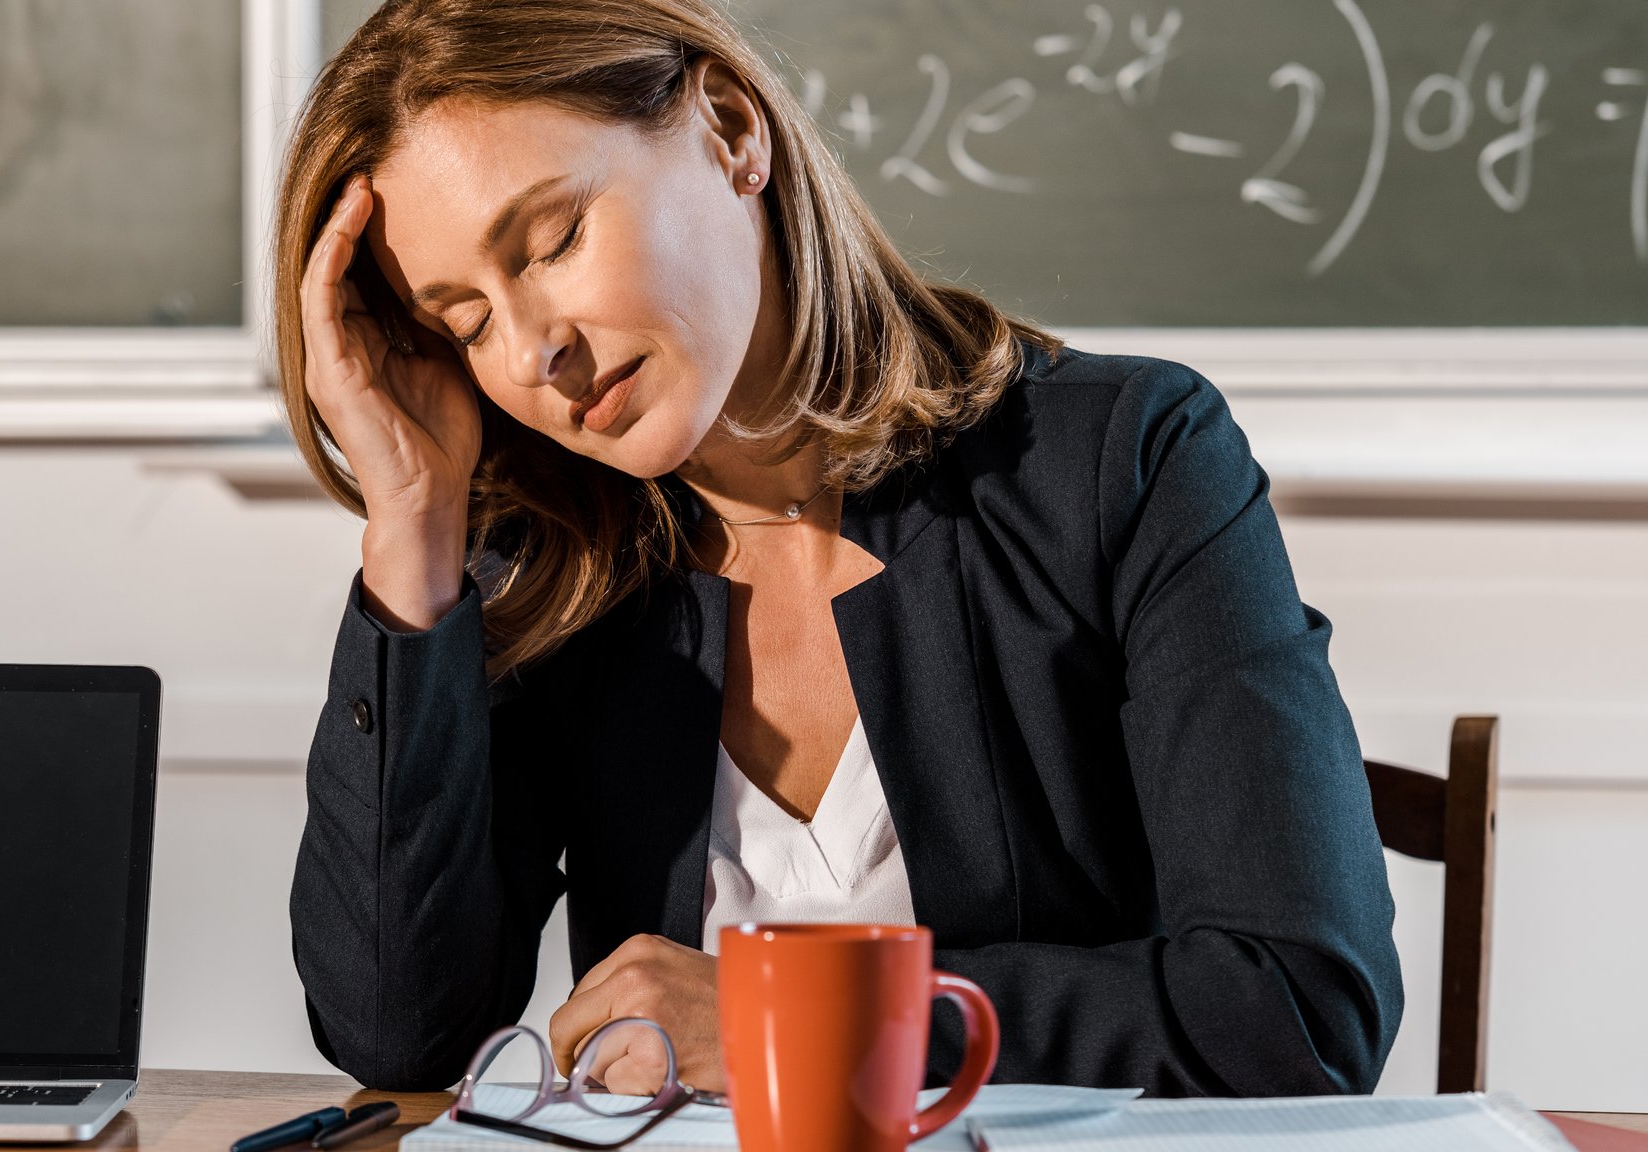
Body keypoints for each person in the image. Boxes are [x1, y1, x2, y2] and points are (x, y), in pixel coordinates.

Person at [276, 0, 1403, 1100]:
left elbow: (1298, 1012)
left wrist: (791, 1019)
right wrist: (412, 520)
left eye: (555, 238)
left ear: (729, 129)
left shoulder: (1124, 460)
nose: (535, 353)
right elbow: (397, 1032)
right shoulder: (551, 567)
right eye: (462, 320)